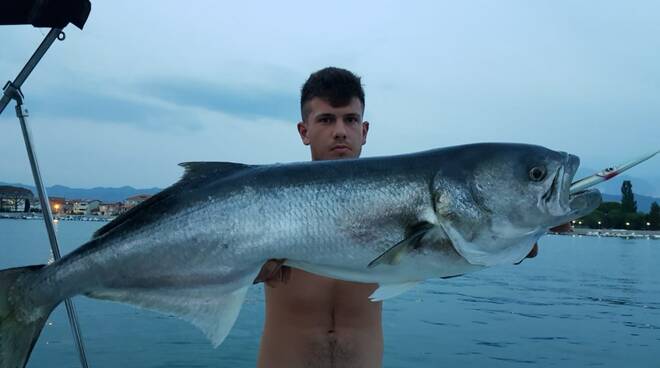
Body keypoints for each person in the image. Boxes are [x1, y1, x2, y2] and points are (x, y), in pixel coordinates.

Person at [254, 67, 567, 368]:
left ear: (364, 131)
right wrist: (245, 270)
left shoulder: (394, 202)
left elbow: (441, 259)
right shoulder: (263, 208)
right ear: (303, 131)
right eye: (326, 119)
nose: (339, 131)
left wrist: (513, 240)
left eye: (351, 119)